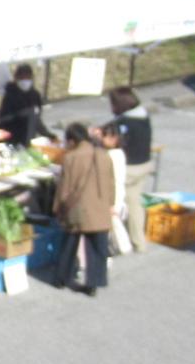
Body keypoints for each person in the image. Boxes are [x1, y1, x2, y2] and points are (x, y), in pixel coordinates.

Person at [52, 122, 114, 295]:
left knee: (69, 245)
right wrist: (110, 203)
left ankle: (61, 278)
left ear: (72, 140)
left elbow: (64, 188)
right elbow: (111, 183)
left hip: (78, 209)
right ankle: (94, 283)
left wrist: (58, 208)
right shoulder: (103, 155)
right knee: (97, 248)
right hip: (100, 207)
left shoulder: (71, 158)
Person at [107, 87, 154, 254]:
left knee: (114, 203)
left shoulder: (125, 123)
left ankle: (117, 242)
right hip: (145, 164)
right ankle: (139, 241)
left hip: (129, 168)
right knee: (135, 203)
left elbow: (112, 138)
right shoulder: (143, 116)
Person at [97, 123, 132, 256]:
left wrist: (111, 203)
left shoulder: (110, 156)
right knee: (112, 226)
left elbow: (110, 181)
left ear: (114, 138)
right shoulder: (120, 153)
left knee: (111, 228)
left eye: (104, 136)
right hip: (118, 195)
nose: (101, 139)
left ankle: (112, 252)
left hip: (112, 197)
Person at [0, 64, 50, 147]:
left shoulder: (35, 95)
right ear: (16, 78)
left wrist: (47, 134)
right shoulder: (10, 96)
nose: (25, 81)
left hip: (28, 140)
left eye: (28, 78)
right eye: (22, 78)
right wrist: (19, 115)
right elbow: (3, 119)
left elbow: (36, 120)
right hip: (12, 140)